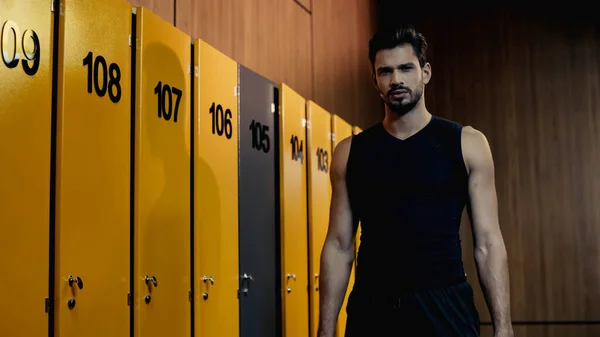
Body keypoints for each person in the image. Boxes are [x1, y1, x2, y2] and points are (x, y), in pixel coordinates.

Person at [317, 24, 513, 337]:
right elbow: (339, 246)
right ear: (375, 80)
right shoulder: (350, 152)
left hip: (445, 307)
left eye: (406, 68)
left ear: (425, 72)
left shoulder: (467, 143)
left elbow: (488, 243)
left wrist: (504, 328)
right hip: (373, 310)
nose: (396, 80)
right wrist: (325, 330)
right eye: (385, 72)